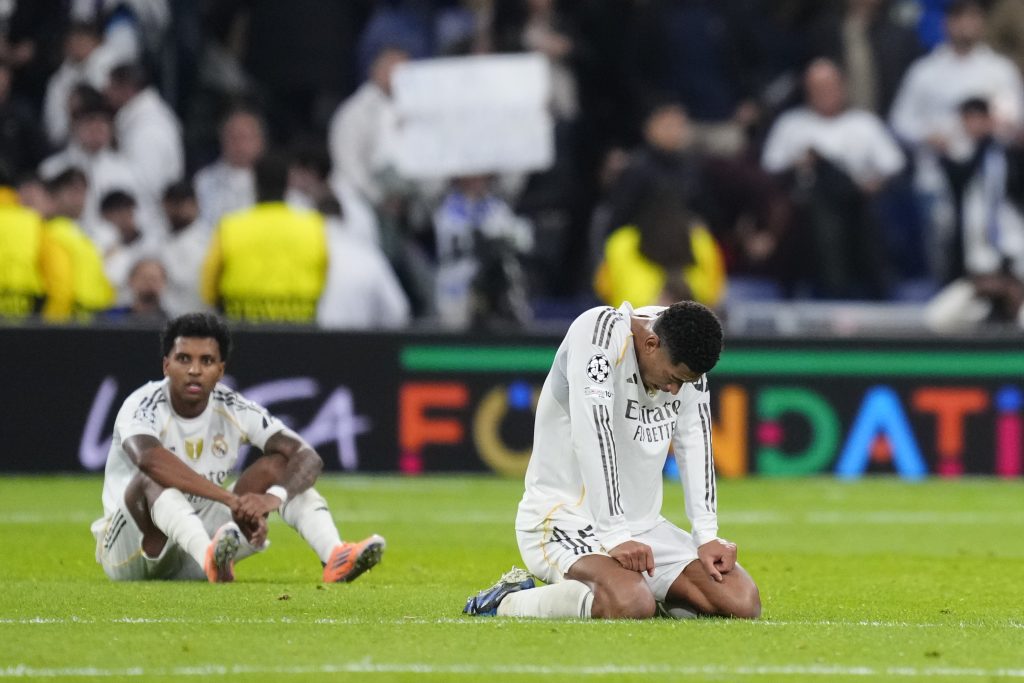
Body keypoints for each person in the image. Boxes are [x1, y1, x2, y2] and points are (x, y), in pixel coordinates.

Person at [464, 301, 760, 620]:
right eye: (673, 378)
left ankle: (631, 593)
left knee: (741, 601)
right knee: (632, 602)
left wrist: (706, 535)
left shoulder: (681, 350)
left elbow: (695, 440)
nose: (674, 391)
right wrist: (615, 535)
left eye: (683, 383)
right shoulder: (599, 334)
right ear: (650, 344)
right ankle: (508, 600)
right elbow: (594, 433)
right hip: (564, 521)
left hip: (643, 530)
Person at [90, 312, 386, 582]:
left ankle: (334, 555)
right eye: (184, 359)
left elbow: (307, 456)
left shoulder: (234, 408)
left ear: (220, 370)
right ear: (166, 365)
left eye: (206, 361)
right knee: (149, 479)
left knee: (279, 466)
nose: (194, 370)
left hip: (195, 543)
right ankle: (209, 556)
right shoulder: (142, 404)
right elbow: (149, 459)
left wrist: (272, 499)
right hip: (131, 551)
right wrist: (230, 500)